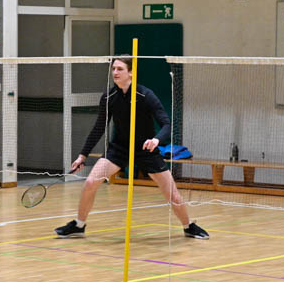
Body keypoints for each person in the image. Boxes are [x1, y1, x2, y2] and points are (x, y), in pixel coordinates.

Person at [54, 56, 209, 240]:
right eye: (113, 69)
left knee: (172, 194)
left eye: (120, 69)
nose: (115, 72)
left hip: (145, 150)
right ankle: (79, 225)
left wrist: (156, 140)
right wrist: (82, 156)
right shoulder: (109, 97)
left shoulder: (145, 95)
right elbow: (98, 128)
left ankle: (188, 226)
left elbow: (166, 124)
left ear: (131, 72)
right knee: (90, 183)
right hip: (119, 149)